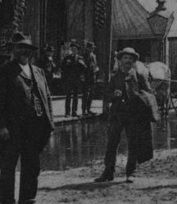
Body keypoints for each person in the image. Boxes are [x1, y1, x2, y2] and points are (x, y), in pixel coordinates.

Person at [0, 33, 55, 204]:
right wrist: (0, 126)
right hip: (12, 129)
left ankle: (27, 203)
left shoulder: (38, 72)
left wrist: (49, 124)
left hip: (35, 128)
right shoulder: (4, 71)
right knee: (9, 167)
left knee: (32, 166)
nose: (23, 51)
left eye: (27, 48)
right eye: (19, 48)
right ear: (12, 50)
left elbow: (47, 98)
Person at [94, 47, 157, 183]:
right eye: (125, 58)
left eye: (130, 58)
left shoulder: (139, 75)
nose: (127, 61)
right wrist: (113, 95)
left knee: (133, 144)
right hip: (117, 115)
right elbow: (106, 94)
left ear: (134, 61)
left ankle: (131, 172)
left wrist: (137, 97)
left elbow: (150, 93)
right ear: (121, 60)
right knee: (111, 144)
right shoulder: (115, 77)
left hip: (133, 115)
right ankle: (108, 172)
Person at [60, 41, 86, 117]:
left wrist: (83, 64)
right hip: (69, 80)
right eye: (72, 49)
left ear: (77, 50)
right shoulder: (67, 58)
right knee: (68, 96)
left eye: (75, 49)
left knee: (75, 96)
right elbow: (63, 68)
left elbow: (84, 69)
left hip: (77, 80)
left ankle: (74, 112)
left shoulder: (80, 58)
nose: (74, 50)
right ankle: (67, 112)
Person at [81, 41, 99, 116]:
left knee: (91, 94)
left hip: (92, 77)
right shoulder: (83, 56)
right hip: (86, 77)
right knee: (86, 94)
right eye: (90, 48)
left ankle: (88, 109)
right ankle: (84, 110)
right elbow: (82, 67)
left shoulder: (93, 56)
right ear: (87, 48)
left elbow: (95, 65)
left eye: (92, 48)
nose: (91, 49)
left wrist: (96, 70)